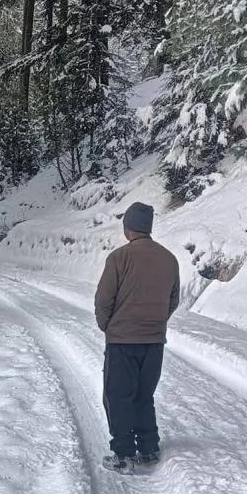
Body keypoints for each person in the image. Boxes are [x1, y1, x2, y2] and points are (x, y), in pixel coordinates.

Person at [94, 202, 181, 474]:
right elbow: (173, 299)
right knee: (144, 395)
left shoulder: (119, 258)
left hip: (122, 340)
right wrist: (157, 322)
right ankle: (148, 448)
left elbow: (104, 299)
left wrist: (107, 325)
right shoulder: (169, 259)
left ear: (127, 227)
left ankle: (123, 454)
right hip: (154, 341)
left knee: (118, 396)